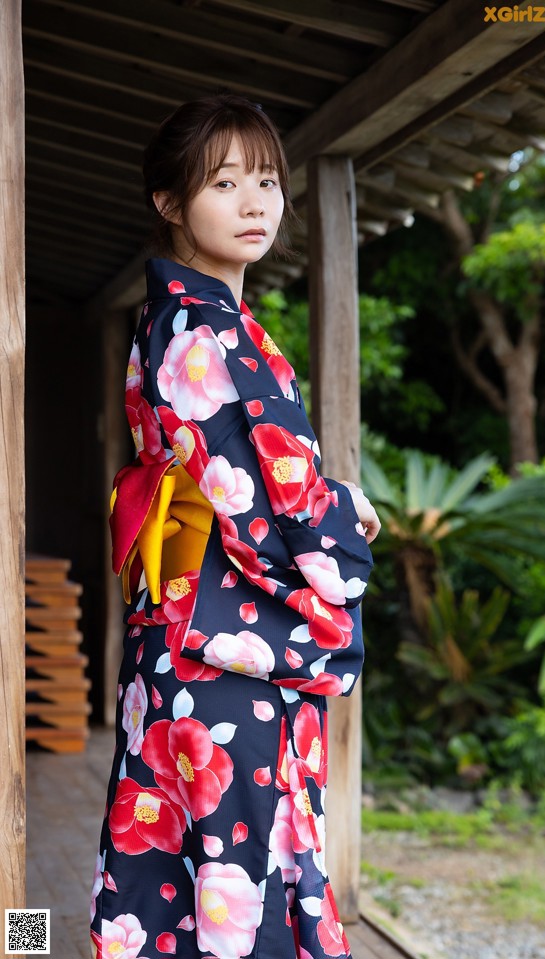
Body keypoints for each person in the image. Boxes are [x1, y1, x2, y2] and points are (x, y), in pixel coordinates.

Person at [90, 94, 380, 959]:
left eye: (266, 181)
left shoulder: (182, 320)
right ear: (170, 203)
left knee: (173, 872)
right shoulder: (204, 334)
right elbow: (275, 505)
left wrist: (315, 486)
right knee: (236, 880)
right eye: (224, 184)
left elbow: (249, 475)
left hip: (179, 641)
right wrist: (347, 513)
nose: (256, 203)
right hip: (223, 656)